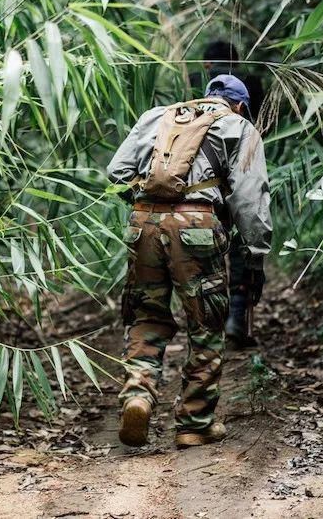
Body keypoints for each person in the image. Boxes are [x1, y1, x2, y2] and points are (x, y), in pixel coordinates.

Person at [106, 74, 272, 449]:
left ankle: (138, 396)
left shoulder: (157, 116)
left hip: (143, 223)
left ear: (206, 97)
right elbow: (250, 197)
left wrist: (149, 208)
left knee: (147, 315)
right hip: (197, 226)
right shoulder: (238, 125)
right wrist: (256, 253)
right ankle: (194, 423)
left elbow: (116, 173)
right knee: (206, 323)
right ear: (240, 104)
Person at [195, 41, 265, 348]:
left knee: (205, 264)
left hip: (198, 191)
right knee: (241, 250)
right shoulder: (253, 84)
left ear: (207, 65)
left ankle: (211, 330)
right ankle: (237, 320)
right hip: (246, 170)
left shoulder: (198, 92)